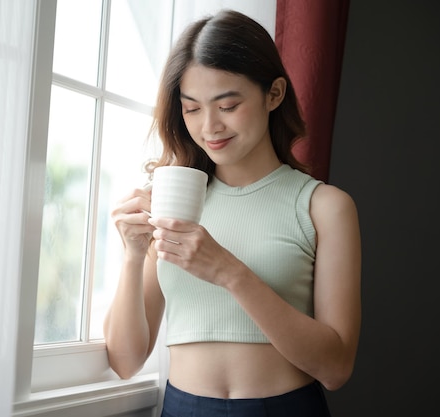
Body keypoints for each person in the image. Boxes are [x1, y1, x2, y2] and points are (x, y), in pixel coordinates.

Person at [103, 9, 361, 417]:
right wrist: (133, 258)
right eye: (192, 108)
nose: (209, 127)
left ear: (273, 94)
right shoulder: (172, 201)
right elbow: (125, 361)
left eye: (227, 105)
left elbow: (335, 368)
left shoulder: (324, 207)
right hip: (182, 407)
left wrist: (229, 272)